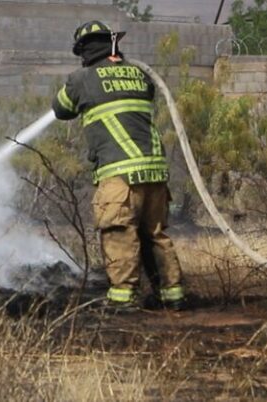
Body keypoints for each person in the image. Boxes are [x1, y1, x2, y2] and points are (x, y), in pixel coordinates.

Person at [51, 21, 185, 311]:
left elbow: (61, 109)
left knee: (119, 232)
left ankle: (122, 299)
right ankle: (172, 295)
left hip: (119, 172)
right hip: (155, 172)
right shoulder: (140, 74)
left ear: (84, 49)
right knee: (155, 235)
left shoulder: (81, 79)